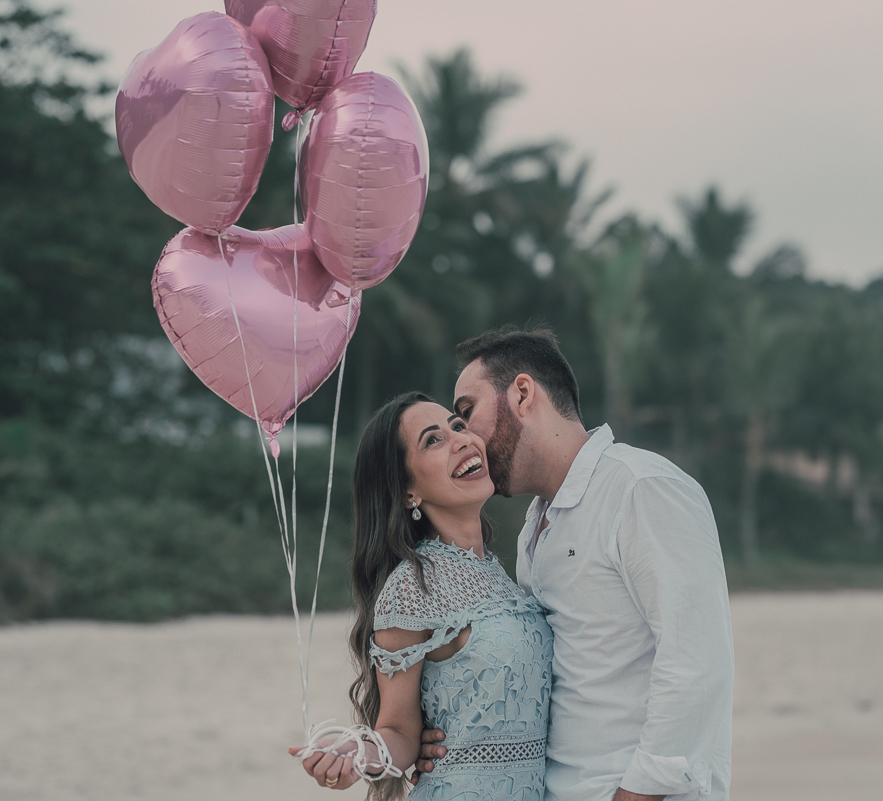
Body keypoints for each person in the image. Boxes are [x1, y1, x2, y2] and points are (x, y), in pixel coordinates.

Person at [415, 326, 734, 801]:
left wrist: (635, 793)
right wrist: (449, 736)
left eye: (466, 414)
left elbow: (696, 665)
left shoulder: (640, 487)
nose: (467, 438)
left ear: (522, 393)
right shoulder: (534, 527)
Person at [290, 392, 554, 800]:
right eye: (433, 440)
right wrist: (360, 754)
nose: (461, 440)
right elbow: (398, 730)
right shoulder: (413, 586)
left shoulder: (504, 571)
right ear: (408, 491)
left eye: (458, 426)